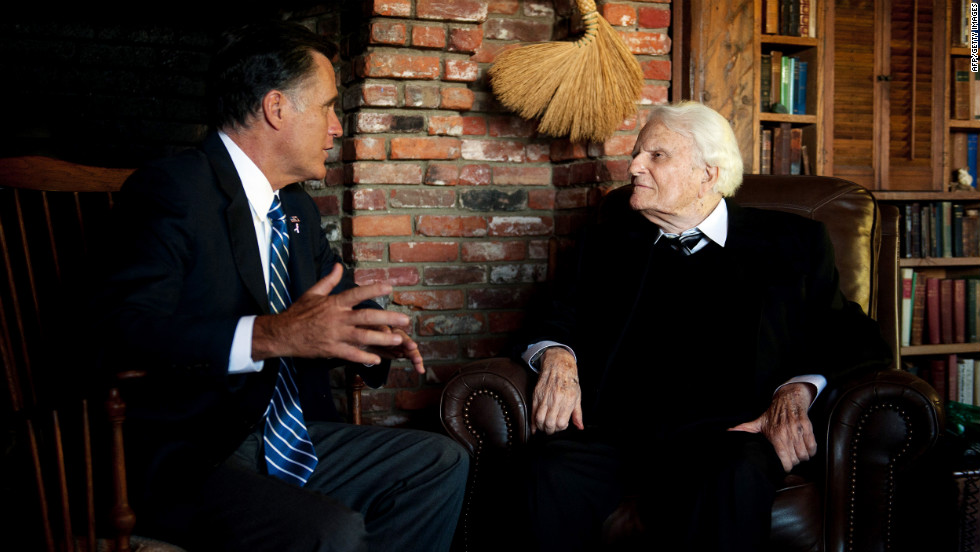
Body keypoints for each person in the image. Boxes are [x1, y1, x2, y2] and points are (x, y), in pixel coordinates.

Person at [99, 21, 467, 552]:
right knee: (333, 531)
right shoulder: (172, 189)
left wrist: (372, 333)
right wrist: (271, 336)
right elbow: (124, 331)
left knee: (440, 462)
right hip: (197, 453)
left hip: (291, 436)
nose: (337, 127)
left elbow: (331, 305)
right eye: (327, 107)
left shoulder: (295, 207)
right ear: (276, 108)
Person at [517, 101, 891, 551]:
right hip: (615, 435)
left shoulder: (789, 242)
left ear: (708, 175)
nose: (633, 165)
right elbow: (551, 314)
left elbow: (851, 334)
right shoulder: (609, 240)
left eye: (656, 155)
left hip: (727, 437)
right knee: (543, 469)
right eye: (637, 153)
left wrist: (798, 389)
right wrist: (556, 355)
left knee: (733, 473)